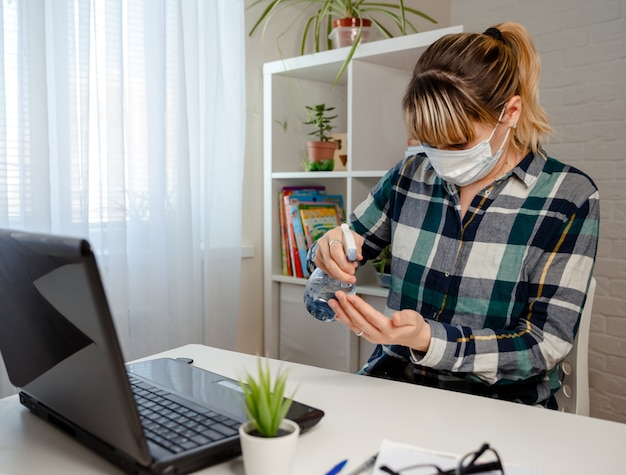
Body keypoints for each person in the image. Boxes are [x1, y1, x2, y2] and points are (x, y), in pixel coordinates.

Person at [306, 22, 599, 408]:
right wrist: (325, 255)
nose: (440, 155)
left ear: (510, 112)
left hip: (499, 408)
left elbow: (544, 345)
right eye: (429, 140)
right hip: (394, 386)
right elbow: (344, 250)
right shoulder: (409, 176)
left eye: (458, 141)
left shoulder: (568, 198)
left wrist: (429, 340)